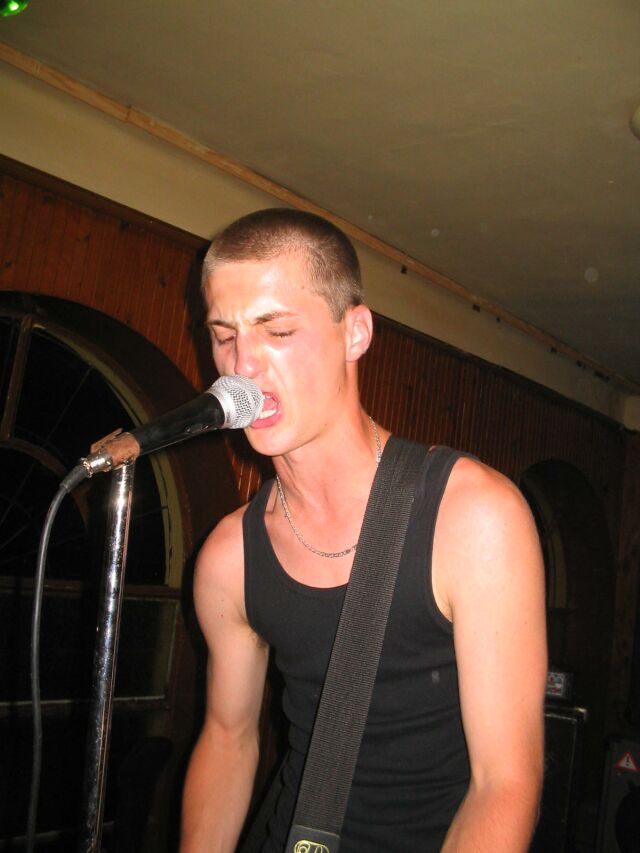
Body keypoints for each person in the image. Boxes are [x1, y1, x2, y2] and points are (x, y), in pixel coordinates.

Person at [180, 208, 547, 852]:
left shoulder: (473, 518)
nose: (242, 365)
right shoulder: (228, 557)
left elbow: (504, 783)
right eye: (224, 336)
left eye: (278, 331)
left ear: (356, 333)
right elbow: (228, 739)